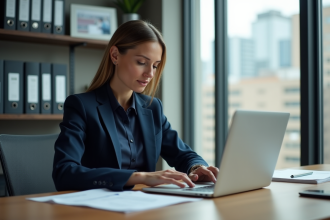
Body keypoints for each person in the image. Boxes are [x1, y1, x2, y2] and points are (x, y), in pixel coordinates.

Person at [52, 20, 219, 191]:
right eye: (141, 62)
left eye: (155, 65)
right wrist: (139, 177)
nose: (150, 74)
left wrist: (197, 168)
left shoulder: (152, 108)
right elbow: (64, 173)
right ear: (115, 55)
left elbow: (183, 154)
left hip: (144, 207)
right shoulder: (81, 106)